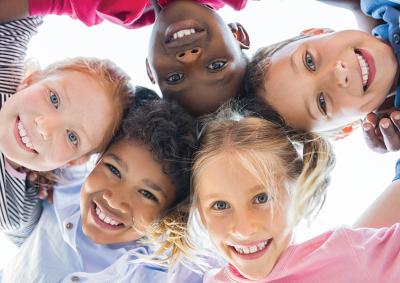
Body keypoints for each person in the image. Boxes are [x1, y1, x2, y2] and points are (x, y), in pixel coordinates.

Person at [161, 99, 400, 282]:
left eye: (261, 198)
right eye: (220, 206)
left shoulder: (346, 257)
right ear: (200, 213)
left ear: (299, 188)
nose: (245, 229)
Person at [1, 96, 202, 282]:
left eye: (147, 194)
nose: (115, 200)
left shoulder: (161, 272)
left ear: (169, 212)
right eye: (113, 170)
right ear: (98, 157)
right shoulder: (58, 185)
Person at [0, 17, 134, 245]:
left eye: (72, 137)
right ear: (30, 80)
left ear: (73, 162)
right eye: (53, 98)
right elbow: (21, 13)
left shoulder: (15, 209)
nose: (45, 127)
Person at [0, 0, 251, 116]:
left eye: (175, 77)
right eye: (216, 66)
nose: (189, 57)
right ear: (237, 34)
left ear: (150, 69)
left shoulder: (113, 7)